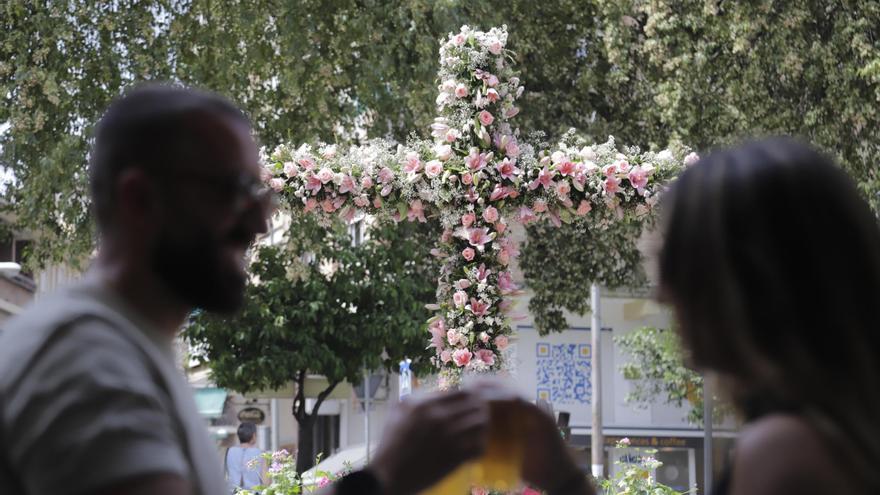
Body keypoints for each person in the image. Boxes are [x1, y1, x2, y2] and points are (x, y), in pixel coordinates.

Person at [0, 84, 587, 495]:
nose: (258, 223)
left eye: (263, 196)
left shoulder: (123, 355)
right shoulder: (88, 366)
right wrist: (383, 478)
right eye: (236, 191)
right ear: (138, 199)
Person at [657, 138, 880, 494]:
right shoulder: (840, 436)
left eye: (681, 264)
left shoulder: (781, 453)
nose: (662, 293)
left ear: (752, 283)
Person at [226, 422, 264, 493]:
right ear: (253, 435)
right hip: (253, 492)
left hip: (233, 492)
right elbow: (265, 479)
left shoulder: (230, 451)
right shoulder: (259, 453)